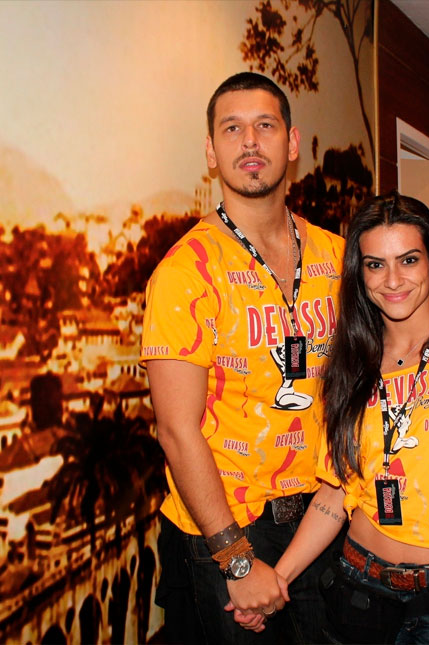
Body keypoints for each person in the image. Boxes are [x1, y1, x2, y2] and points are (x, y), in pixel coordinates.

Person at [244, 192, 429, 644]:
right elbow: (336, 491)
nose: (393, 280)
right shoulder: (350, 362)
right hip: (359, 587)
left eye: (408, 260)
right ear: (360, 273)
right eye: (375, 264)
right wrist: (279, 579)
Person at [140, 72, 344, 644]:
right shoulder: (185, 272)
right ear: (211, 152)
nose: (250, 141)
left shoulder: (336, 256)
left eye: (265, 126)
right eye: (232, 129)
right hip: (230, 529)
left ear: (292, 142)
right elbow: (176, 430)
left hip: (326, 516)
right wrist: (234, 557)